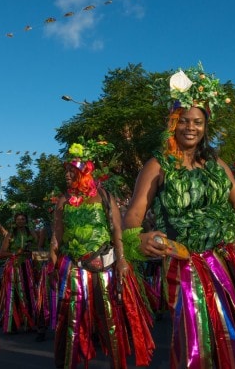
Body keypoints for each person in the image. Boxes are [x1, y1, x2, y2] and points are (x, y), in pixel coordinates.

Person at [122, 66, 235, 368]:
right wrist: (135, 238)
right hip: (190, 266)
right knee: (205, 347)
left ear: (205, 127)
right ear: (173, 124)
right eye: (183, 121)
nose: (191, 127)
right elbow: (133, 214)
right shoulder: (157, 166)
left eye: (198, 122)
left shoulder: (218, 165)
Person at [52, 139, 154, 369]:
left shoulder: (104, 197)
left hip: (104, 268)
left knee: (111, 323)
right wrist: (54, 265)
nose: (67, 176)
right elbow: (56, 237)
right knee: (72, 324)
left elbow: (117, 229)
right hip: (76, 270)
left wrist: (122, 261)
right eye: (66, 171)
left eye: (71, 171)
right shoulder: (63, 201)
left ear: (84, 171)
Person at [0, 209, 38, 334]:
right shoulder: (10, 234)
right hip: (14, 266)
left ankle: (30, 323)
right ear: (15, 221)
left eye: (23, 219)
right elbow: (2, 253)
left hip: (27, 266)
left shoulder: (31, 232)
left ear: (26, 220)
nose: (20, 221)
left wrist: (32, 252)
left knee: (29, 293)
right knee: (13, 294)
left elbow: (37, 247)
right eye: (18, 219)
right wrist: (15, 253)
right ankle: (11, 324)